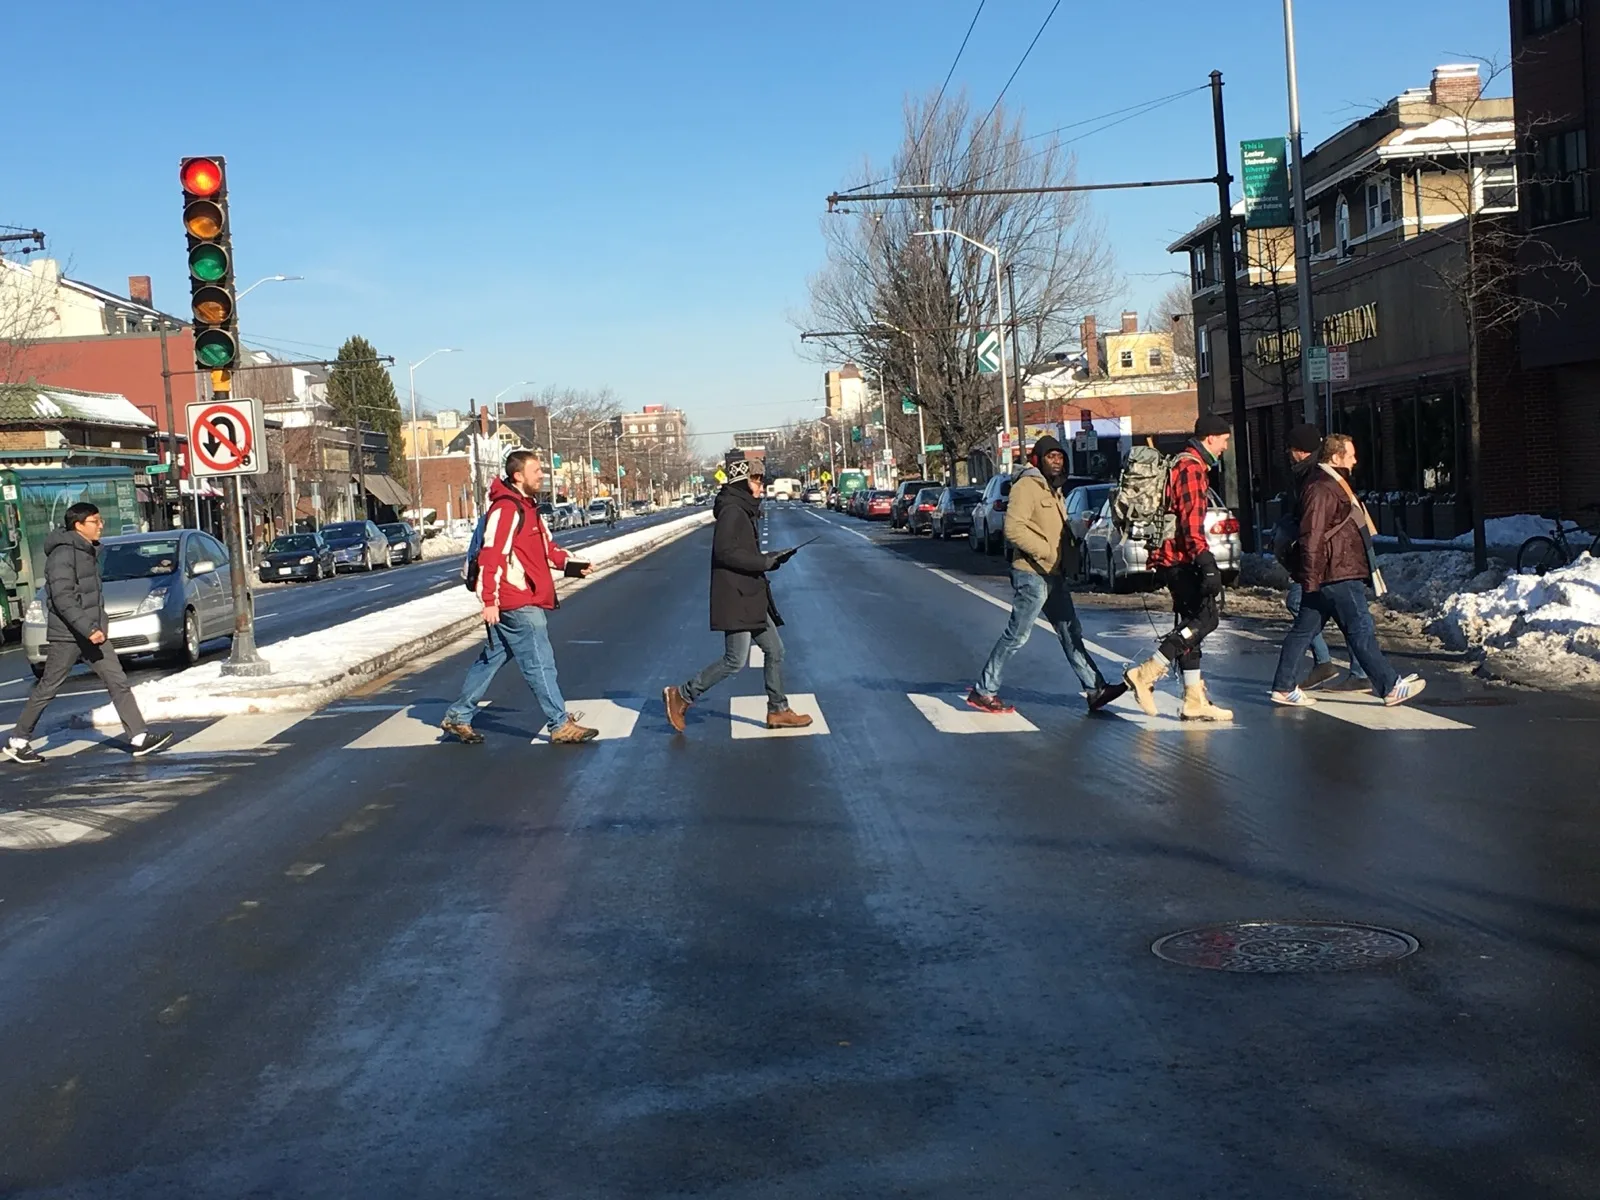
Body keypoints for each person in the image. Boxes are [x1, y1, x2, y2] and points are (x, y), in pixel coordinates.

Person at [441, 449, 598, 745]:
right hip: (516, 599)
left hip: (516, 597)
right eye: (536, 470)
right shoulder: (506, 509)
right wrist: (489, 600)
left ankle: (458, 715)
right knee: (540, 662)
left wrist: (571, 565)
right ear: (518, 476)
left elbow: (546, 550)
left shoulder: (528, 508)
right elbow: (491, 556)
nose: (542, 475)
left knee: (492, 658)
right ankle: (559, 723)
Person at [968, 434, 1126, 714]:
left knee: (1070, 631)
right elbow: (1013, 528)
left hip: (1053, 573)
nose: (1057, 462)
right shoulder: (1027, 486)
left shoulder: (1053, 489)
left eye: (1060, 457)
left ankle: (1096, 689)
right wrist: (1046, 552)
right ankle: (984, 690)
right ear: (1038, 460)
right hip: (1032, 573)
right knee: (1017, 635)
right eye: (1051, 457)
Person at [3, 504, 172, 765]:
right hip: (69, 635)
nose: (101, 525)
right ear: (78, 525)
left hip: (92, 632)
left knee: (117, 681)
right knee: (49, 686)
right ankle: (18, 741)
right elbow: (63, 598)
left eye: (100, 520)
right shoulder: (63, 555)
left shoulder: (87, 551)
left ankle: (139, 737)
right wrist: (88, 628)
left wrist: (97, 626)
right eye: (95, 521)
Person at [1270, 434, 1425, 707]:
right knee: (1360, 629)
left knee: (1303, 631)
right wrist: (1311, 575)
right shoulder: (1322, 486)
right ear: (1336, 457)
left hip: (1329, 572)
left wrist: (1312, 577)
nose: (1355, 461)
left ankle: (1283, 687)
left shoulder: (1329, 482)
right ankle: (1390, 686)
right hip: (1337, 572)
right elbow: (1313, 534)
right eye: (1350, 455)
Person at [663, 451, 811, 733]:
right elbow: (725, 552)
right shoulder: (733, 511)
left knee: (775, 650)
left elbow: (741, 552)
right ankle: (681, 694)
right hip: (737, 597)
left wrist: (770, 558)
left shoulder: (742, 509)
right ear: (742, 482)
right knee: (735, 660)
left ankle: (778, 709)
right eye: (756, 480)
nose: (761, 486)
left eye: (761, 480)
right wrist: (763, 562)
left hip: (750, 595)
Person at [1123, 414, 1235, 722]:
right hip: (1180, 558)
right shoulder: (1191, 468)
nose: (1225, 447)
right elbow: (1190, 522)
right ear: (1210, 438)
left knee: (1191, 627)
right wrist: (1206, 561)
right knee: (1206, 619)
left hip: (1174, 557)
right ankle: (1146, 673)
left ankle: (1193, 700)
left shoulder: (1184, 463)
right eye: (1224, 440)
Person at [1273, 424, 1367, 692]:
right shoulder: (1315, 474)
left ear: (1300, 451)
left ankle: (1357, 672)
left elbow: (1313, 527)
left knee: (1346, 616)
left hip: (1328, 559)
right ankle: (1336, 667)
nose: (1289, 455)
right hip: (1331, 559)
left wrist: (1309, 569)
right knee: (1347, 616)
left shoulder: (1314, 478)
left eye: (1291, 449)